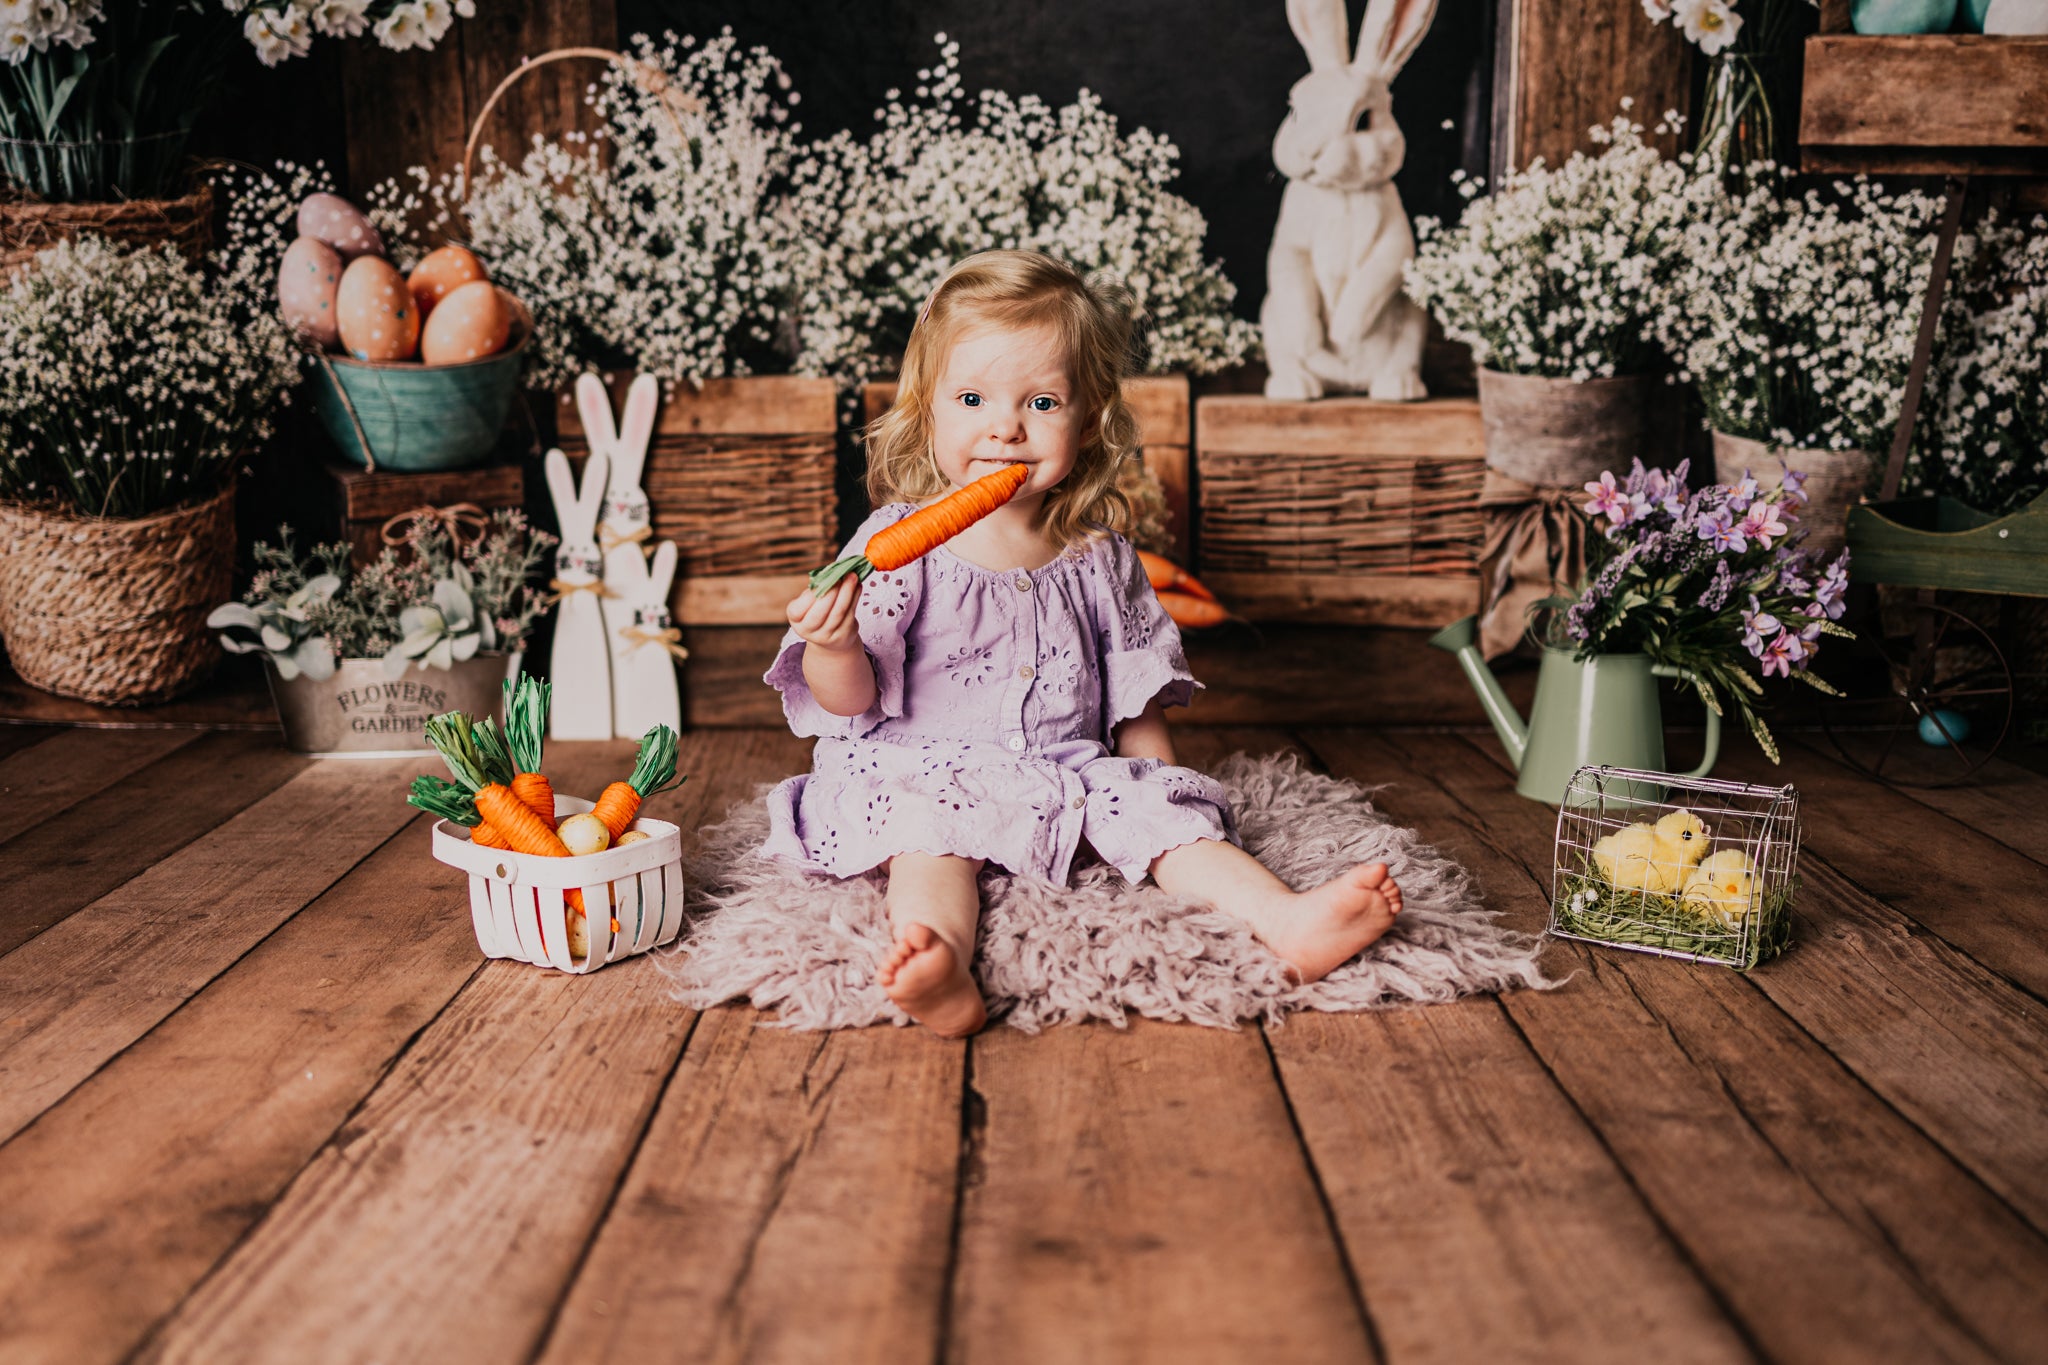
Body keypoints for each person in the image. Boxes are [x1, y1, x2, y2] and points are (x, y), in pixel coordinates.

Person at [763, 250, 1402, 1037]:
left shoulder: (1097, 554)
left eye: (1040, 401)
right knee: (927, 844)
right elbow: (853, 700)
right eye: (971, 398)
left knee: (1167, 820)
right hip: (926, 767)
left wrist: (1162, 796)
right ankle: (943, 962)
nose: (1005, 426)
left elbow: (1132, 691)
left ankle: (1288, 919)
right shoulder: (897, 544)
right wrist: (834, 647)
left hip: (1065, 768)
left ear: (1088, 416)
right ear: (928, 411)